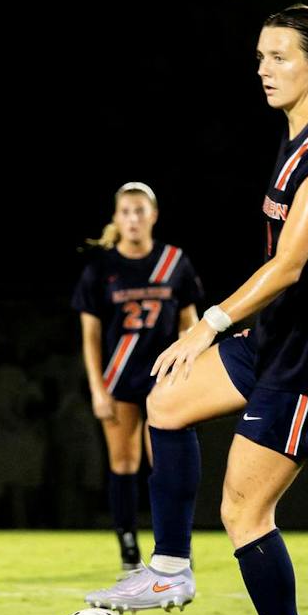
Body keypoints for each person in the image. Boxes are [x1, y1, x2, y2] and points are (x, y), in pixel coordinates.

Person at [85, 6, 308, 615]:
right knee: (167, 399)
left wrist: (207, 322)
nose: (263, 67)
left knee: (244, 513)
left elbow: (290, 265)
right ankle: (170, 567)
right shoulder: (297, 134)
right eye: (260, 55)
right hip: (277, 340)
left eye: (279, 56)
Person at [72, 183, 203, 573]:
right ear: (116, 218)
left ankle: (175, 545)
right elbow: (91, 335)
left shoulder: (173, 261)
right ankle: (128, 547)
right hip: (120, 378)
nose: (133, 218)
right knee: (124, 462)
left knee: (165, 462)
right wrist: (98, 388)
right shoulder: (101, 268)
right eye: (125, 211)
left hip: (162, 378)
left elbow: (190, 322)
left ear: (154, 215)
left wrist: (188, 366)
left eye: (140, 211)